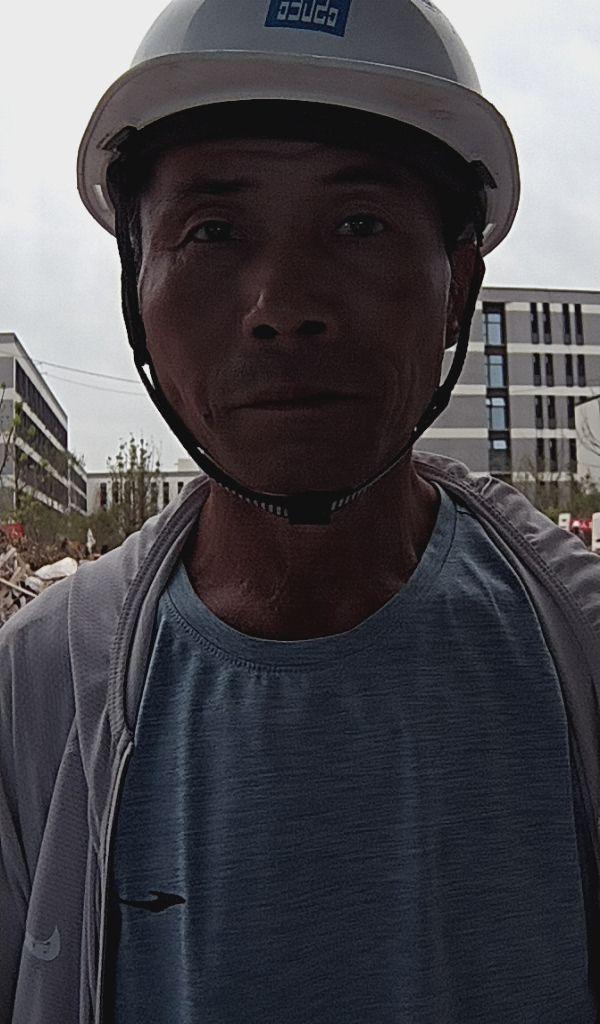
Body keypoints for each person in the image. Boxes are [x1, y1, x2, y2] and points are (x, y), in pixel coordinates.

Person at [1, 2, 600, 1021]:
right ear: (136, 288)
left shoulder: (579, 650)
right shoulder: (37, 685)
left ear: (458, 287)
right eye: (212, 232)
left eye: (359, 225)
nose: (283, 305)